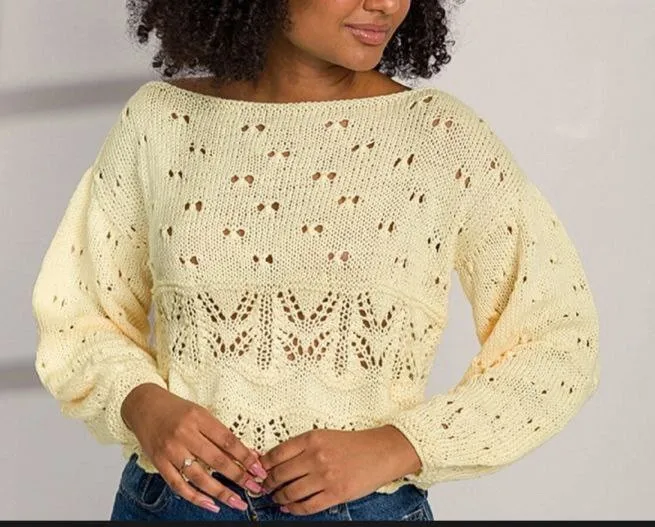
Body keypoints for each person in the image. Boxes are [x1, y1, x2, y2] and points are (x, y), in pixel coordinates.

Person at [31, 0, 600, 522]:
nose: (386, 4)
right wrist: (142, 404)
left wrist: (400, 445)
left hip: (363, 511)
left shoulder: (443, 140)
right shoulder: (160, 123)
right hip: (172, 505)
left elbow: (560, 339)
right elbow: (78, 316)